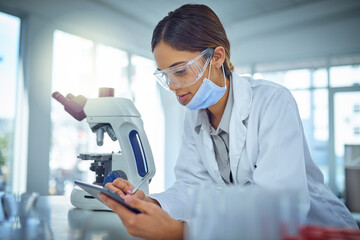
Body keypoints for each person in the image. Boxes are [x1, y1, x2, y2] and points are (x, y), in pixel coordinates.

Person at [98, 4, 358, 239]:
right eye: (166, 76)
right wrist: (150, 203)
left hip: (322, 231)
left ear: (217, 58)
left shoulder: (273, 102)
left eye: (180, 71)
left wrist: (181, 232)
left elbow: (279, 208)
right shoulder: (195, 116)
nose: (174, 86)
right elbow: (191, 188)